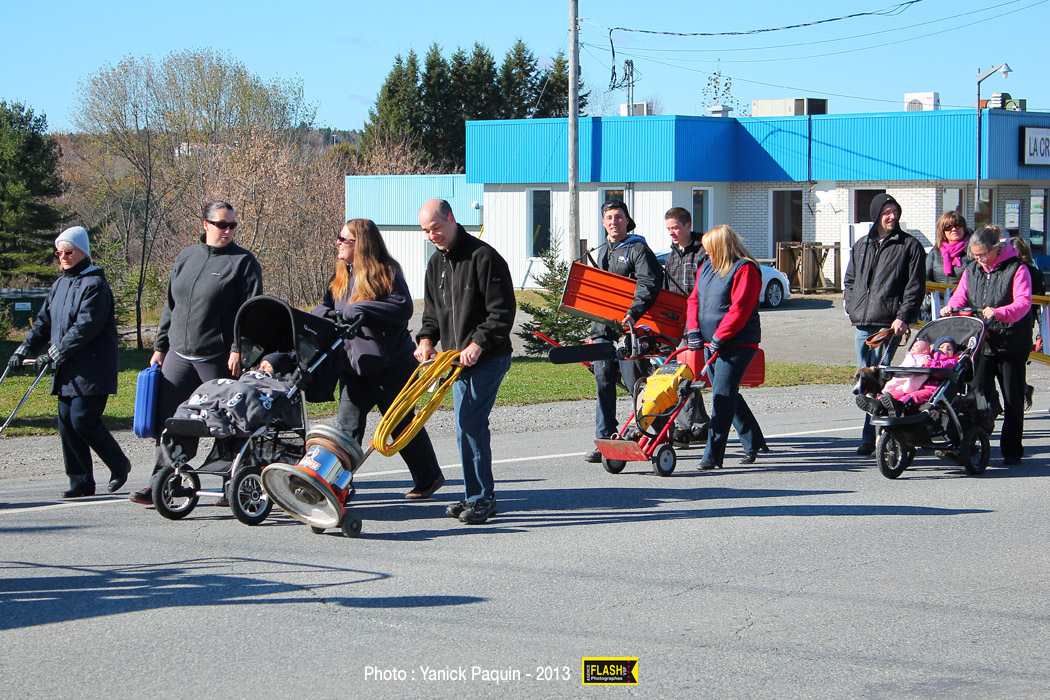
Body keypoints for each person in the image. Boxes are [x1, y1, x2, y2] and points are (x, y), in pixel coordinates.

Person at [130, 201, 263, 504]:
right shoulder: (187, 256)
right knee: (171, 422)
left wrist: (238, 348)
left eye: (232, 225)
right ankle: (164, 483)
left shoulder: (243, 262)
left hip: (217, 356)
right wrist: (160, 346)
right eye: (221, 225)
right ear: (205, 225)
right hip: (179, 354)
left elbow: (253, 312)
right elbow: (171, 306)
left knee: (229, 423)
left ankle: (236, 484)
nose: (228, 230)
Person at [315, 218, 445, 500]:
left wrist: (361, 307)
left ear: (360, 244)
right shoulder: (341, 275)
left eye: (343, 239)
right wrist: (315, 318)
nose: (338, 243)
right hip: (353, 368)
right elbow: (325, 306)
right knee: (347, 430)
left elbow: (402, 307)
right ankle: (339, 486)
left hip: (390, 366)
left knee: (399, 424)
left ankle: (429, 477)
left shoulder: (386, 271)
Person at [8, 226, 131, 498]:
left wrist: (53, 353)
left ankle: (119, 463)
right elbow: (43, 323)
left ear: (82, 252)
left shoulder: (95, 284)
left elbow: (86, 327)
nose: (62, 257)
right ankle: (81, 482)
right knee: (66, 422)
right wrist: (23, 349)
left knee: (82, 419)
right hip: (67, 368)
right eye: (59, 253)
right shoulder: (60, 284)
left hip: (93, 367)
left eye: (68, 252)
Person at [415, 199, 516, 524]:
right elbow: (431, 314)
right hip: (455, 362)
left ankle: (482, 499)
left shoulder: (483, 258)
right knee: (463, 428)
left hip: (488, 358)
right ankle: (475, 494)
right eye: (427, 231)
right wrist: (426, 340)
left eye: (436, 228)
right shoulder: (436, 264)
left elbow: (501, 313)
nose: (433, 235)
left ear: (452, 219)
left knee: (471, 424)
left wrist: (477, 343)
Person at [843, 193, 926, 456]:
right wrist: (851, 306)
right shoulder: (861, 245)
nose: (892, 216)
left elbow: (915, 287)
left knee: (880, 382)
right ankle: (873, 434)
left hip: (887, 326)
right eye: (886, 211)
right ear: (877, 215)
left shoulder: (909, 246)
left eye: (895, 211)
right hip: (861, 324)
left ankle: (877, 436)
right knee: (864, 382)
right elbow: (850, 281)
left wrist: (903, 316)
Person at [940, 227, 1032, 464]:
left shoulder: (1017, 268)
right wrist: (951, 306)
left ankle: (1012, 451)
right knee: (976, 395)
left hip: (1011, 344)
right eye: (975, 255)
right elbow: (961, 294)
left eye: (982, 255)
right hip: (982, 342)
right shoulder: (972, 269)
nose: (979, 259)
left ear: (996, 249)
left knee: (1012, 399)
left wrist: (1000, 312)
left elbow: (1023, 303)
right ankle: (972, 442)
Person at [583, 200, 663, 462]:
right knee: (603, 382)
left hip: (631, 330)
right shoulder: (601, 251)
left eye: (619, 217)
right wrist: (593, 329)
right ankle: (605, 440)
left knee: (635, 385)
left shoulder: (637, 249)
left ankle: (657, 435)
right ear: (603, 222)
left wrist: (634, 311)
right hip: (603, 332)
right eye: (609, 217)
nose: (614, 221)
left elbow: (649, 282)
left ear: (628, 220)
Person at [686, 225, 766, 469]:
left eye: (710, 249)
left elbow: (740, 309)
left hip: (738, 342)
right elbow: (694, 300)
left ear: (721, 247)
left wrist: (721, 336)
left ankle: (712, 455)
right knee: (727, 393)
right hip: (712, 341)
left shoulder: (745, 269)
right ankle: (754, 441)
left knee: (721, 396)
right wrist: (693, 331)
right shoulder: (706, 268)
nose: (706, 253)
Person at [661, 207, 711, 445]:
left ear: (688, 225)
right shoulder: (671, 257)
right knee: (683, 377)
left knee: (688, 377)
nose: (672, 232)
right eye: (669, 228)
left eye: (676, 227)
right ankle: (700, 425)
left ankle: (686, 427)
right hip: (677, 326)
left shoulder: (704, 252)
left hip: (699, 324)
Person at [1008, 235, 1044, 411]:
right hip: (1004, 320)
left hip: (1023, 323)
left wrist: (1042, 332)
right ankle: (1022, 388)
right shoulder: (1003, 271)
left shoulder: (1033, 273)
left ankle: (1021, 390)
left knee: (1016, 362)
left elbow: (1040, 305)